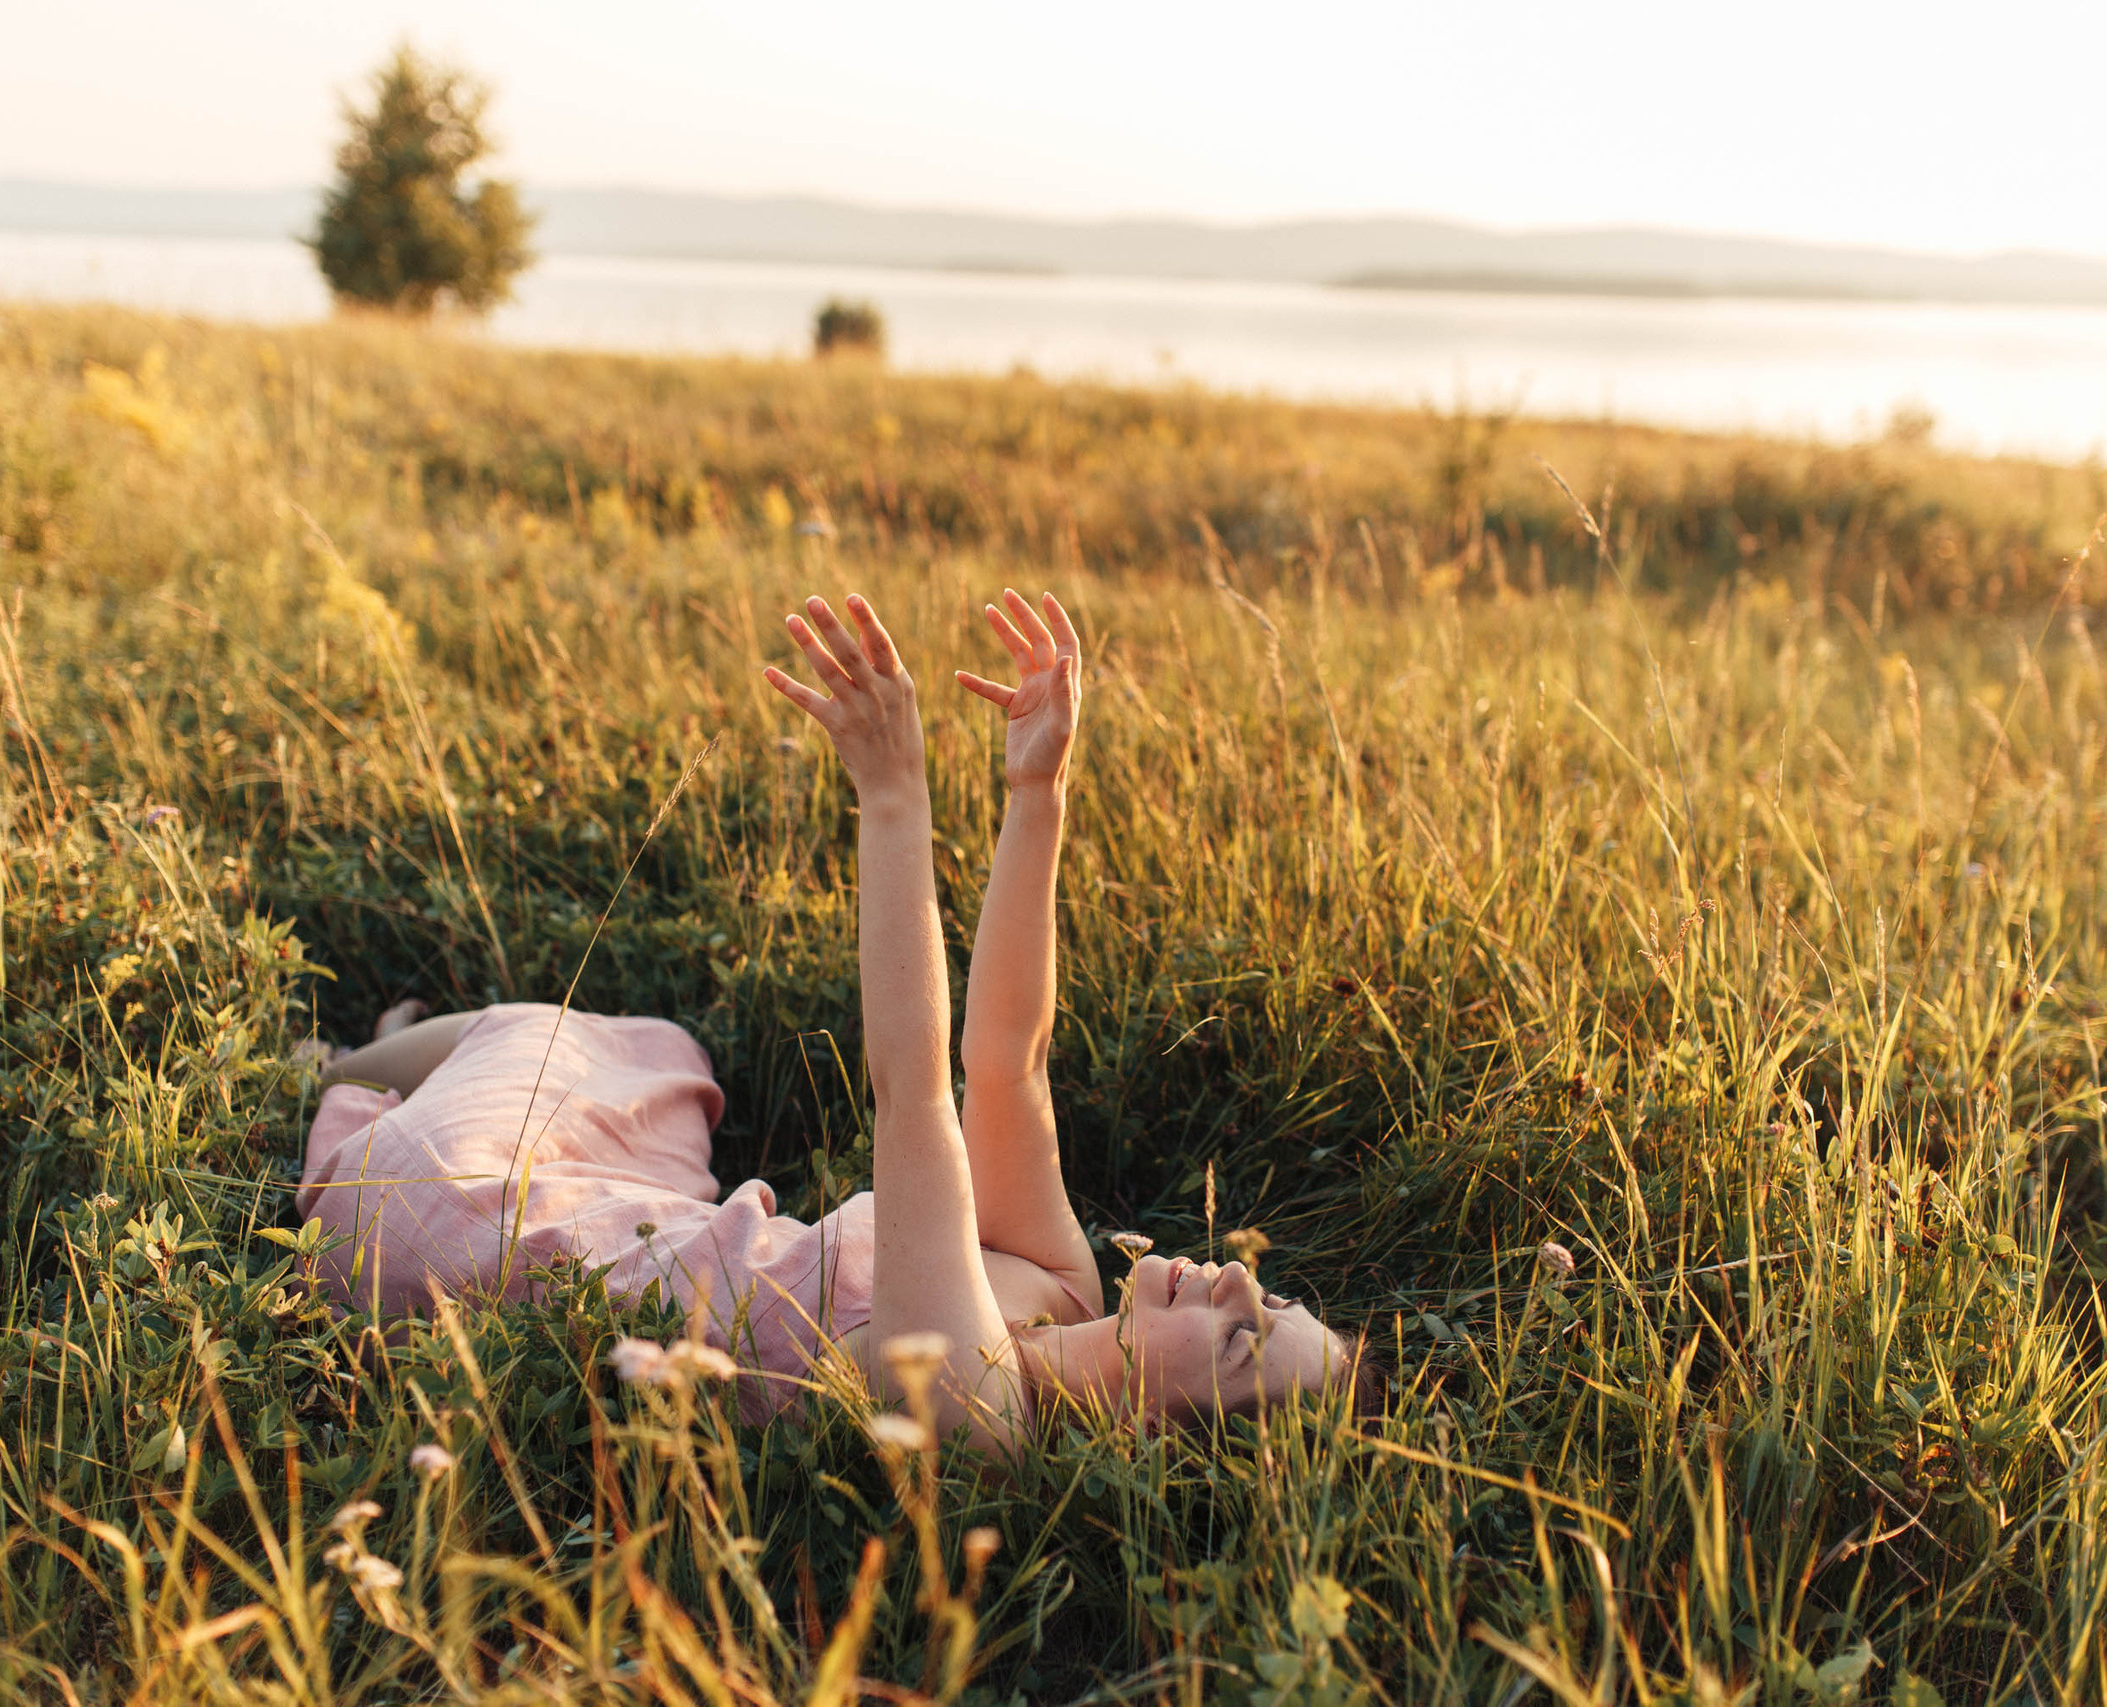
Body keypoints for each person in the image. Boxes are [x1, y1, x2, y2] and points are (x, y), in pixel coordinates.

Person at [300, 590, 1354, 1448]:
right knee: (663, 1057)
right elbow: (1006, 1064)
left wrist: (892, 799)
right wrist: (1039, 791)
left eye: (1236, 1342)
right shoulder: (1068, 1291)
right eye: (1270, 1298)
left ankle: (336, 1068)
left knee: (534, 1059)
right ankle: (390, 1062)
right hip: (638, 1233)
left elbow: (914, 1095)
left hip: (469, 1250)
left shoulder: (977, 1414)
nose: (1231, 1282)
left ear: (1154, 1444)